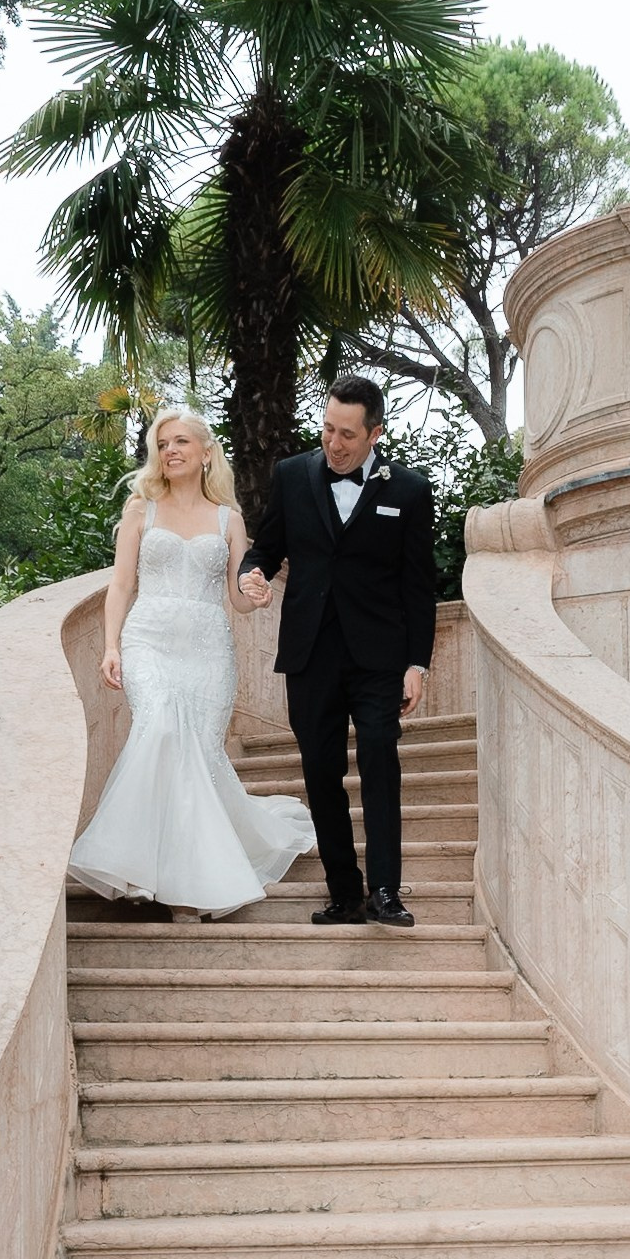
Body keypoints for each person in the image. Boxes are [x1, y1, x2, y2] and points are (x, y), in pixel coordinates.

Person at [70, 408, 314, 922]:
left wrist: (256, 593)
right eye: (162, 444)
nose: (170, 451)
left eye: (181, 441)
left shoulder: (229, 520)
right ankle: (154, 875)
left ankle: (188, 881)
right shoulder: (141, 510)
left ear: (206, 452)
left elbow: (238, 597)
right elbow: (121, 585)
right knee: (159, 732)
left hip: (208, 651)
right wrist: (111, 646)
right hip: (148, 641)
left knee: (197, 755)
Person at [237, 377, 436, 928]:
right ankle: (345, 894)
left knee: (379, 760)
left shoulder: (410, 491)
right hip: (310, 654)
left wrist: (417, 663)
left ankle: (386, 892)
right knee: (321, 773)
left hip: (379, 658)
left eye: (348, 434)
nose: (334, 443)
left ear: (375, 433)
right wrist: (252, 574)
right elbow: (264, 548)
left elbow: (419, 587)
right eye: (328, 429)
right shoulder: (292, 475)